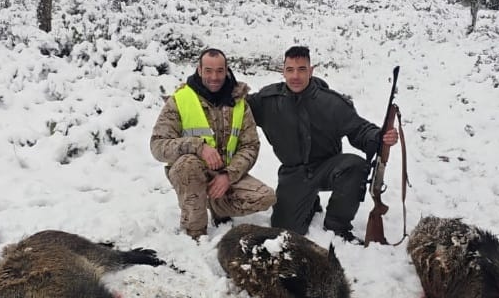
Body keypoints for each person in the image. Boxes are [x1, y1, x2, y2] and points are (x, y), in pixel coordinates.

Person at [247, 45, 398, 244]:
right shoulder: (267, 101)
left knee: (355, 165)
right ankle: (310, 202)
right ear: (282, 71)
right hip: (294, 173)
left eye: (302, 69)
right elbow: (238, 106)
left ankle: (337, 225)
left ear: (311, 70)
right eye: (290, 70)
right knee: (284, 231)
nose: (295, 76)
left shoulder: (331, 102)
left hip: (327, 168)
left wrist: (379, 137)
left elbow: (359, 129)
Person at [150, 48, 276, 240]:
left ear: (226, 71)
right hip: (190, 172)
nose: (214, 77)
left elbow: (250, 146)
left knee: (266, 197)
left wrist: (228, 175)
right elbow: (158, 146)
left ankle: (216, 206)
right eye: (208, 70)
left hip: (226, 174)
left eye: (219, 71)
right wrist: (198, 146)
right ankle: (195, 233)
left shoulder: (239, 103)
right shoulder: (180, 100)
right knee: (187, 165)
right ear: (199, 70)